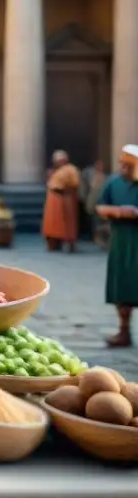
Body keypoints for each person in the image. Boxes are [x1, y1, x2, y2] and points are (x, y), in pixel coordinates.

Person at [95, 145, 138, 348]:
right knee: (121, 285)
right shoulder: (113, 183)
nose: (124, 168)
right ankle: (124, 331)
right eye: (122, 164)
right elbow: (100, 206)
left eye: (129, 165)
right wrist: (119, 211)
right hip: (121, 241)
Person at [42, 149, 81, 253]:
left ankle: (69, 242)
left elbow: (75, 183)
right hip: (52, 201)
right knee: (52, 222)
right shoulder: (55, 171)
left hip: (65, 198)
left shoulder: (71, 169)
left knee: (67, 222)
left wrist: (64, 189)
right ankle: (53, 242)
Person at [80, 158, 107, 244]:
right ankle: (92, 235)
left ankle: (99, 237)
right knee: (92, 219)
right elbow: (84, 186)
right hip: (92, 200)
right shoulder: (89, 174)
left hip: (101, 201)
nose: (100, 167)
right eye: (98, 165)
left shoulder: (104, 176)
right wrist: (83, 197)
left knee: (99, 220)